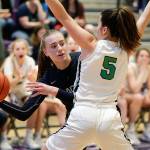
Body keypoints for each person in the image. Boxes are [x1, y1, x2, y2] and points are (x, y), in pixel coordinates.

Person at [0, 0, 150, 149]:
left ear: (104, 30)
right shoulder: (127, 49)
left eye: (98, 25)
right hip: (110, 118)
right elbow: (144, 18)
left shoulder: (91, 44)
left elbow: (63, 17)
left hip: (82, 115)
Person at [118, 48, 150, 145]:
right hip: (125, 95)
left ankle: (148, 129)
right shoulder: (131, 67)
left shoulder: (149, 68)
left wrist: (148, 96)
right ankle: (130, 129)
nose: (144, 58)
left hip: (138, 95)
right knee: (138, 97)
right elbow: (134, 89)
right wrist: (143, 71)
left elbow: (149, 87)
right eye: (142, 56)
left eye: (147, 56)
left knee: (140, 97)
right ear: (136, 57)